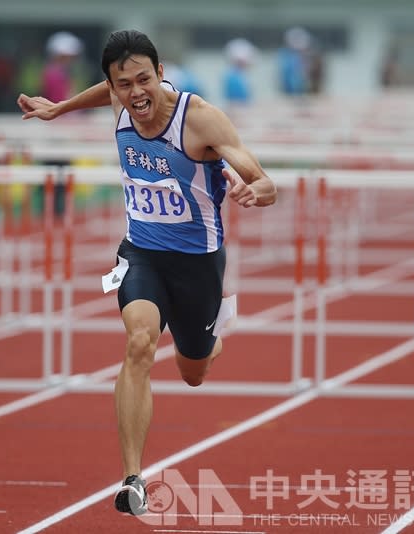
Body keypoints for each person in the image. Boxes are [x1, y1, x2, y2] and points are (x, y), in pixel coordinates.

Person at [17, 29, 277, 516]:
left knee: (193, 369)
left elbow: (258, 175)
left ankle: (212, 332)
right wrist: (58, 108)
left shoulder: (199, 120)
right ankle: (132, 478)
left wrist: (256, 187)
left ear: (161, 73)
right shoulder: (119, 104)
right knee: (139, 343)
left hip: (198, 265)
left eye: (144, 80)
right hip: (140, 254)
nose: (135, 94)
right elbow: (105, 92)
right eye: (122, 85)